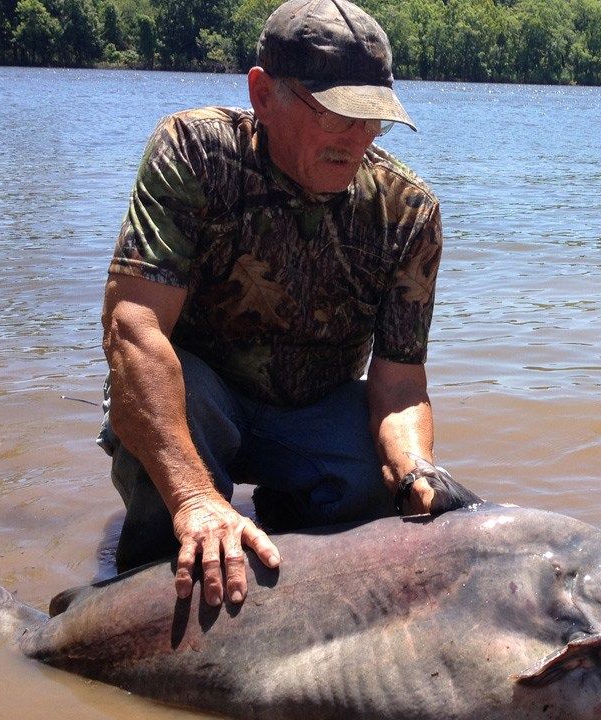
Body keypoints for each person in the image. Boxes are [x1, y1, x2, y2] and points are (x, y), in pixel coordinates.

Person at [97, 0, 477, 609]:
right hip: (203, 405)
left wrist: (414, 474)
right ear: (262, 93)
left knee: (373, 484)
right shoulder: (194, 153)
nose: (358, 139)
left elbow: (401, 382)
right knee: (167, 399)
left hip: (313, 409)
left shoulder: (409, 211)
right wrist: (195, 498)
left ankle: (288, 548)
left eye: (373, 118)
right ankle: (153, 580)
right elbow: (132, 328)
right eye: (336, 114)